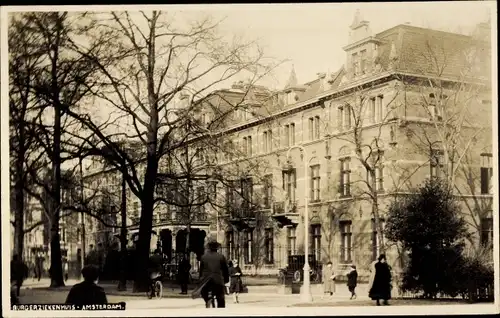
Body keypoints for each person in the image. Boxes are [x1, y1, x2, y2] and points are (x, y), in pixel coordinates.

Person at [191, 240, 229, 308]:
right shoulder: (221, 257)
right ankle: (221, 308)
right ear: (217, 248)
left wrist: (200, 280)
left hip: (206, 279)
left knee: (204, 292)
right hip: (218, 279)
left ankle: (207, 300)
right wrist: (226, 280)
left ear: (209, 247)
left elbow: (201, 270)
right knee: (220, 297)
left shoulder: (204, 257)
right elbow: (225, 270)